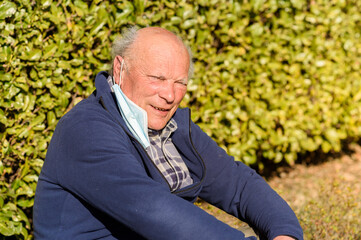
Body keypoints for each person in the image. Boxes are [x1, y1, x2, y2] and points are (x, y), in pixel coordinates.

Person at [33, 26, 303, 240]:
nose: (170, 95)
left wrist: (284, 232)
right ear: (119, 69)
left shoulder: (167, 124)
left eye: (180, 82)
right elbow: (153, 211)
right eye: (157, 79)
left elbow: (237, 184)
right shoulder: (86, 130)